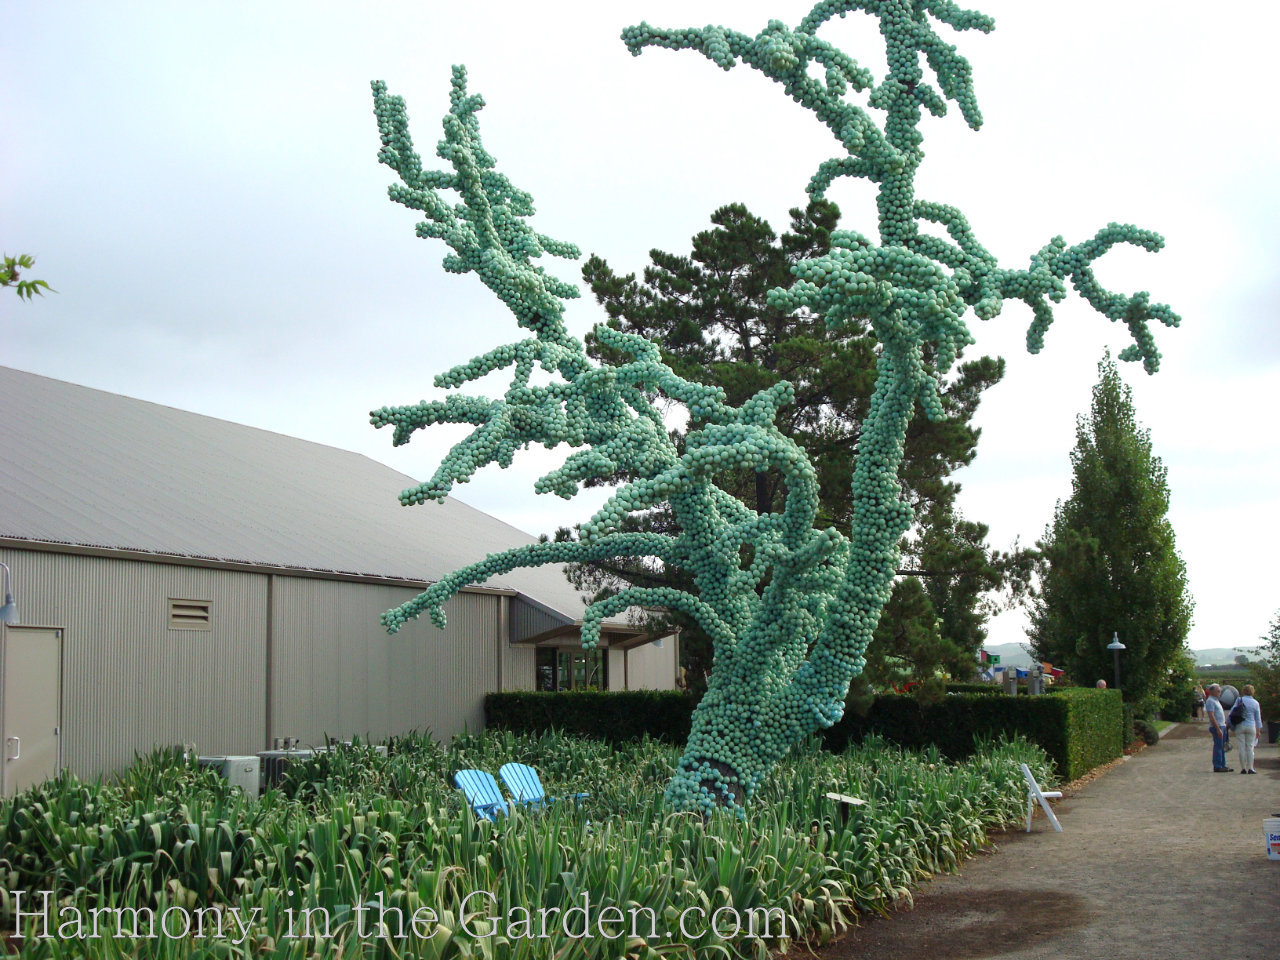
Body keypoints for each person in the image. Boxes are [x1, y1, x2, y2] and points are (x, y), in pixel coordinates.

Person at [1234, 684, 1263, 774]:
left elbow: (1233, 712)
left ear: (1243, 691)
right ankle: (1251, 768)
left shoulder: (1239, 700)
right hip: (1251, 726)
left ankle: (1243, 768)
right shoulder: (1255, 703)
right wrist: (1258, 730)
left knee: (1241, 748)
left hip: (1240, 725)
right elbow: (1258, 718)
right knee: (1250, 748)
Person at [1204, 684, 1231, 772]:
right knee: (1218, 746)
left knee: (1221, 746)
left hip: (1222, 725)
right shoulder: (1210, 701)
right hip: (1217, 726)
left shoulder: (1216, 700)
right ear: (1212, 692)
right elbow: (1211, 716)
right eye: (1218, 691)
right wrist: (1218, 728)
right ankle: (1217, 765)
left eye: (1220, 691)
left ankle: (1222, 764)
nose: (1220, 693)